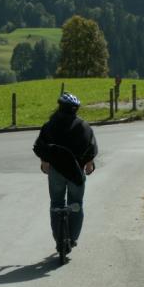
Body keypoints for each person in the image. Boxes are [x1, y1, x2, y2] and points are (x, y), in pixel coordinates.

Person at [33, 92, 98, 252]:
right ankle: (72, 238)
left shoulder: (49, 125)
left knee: (56, 204)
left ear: (60, 107)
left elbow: (41, 146)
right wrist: (89, 164)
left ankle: (59, 239)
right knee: (76, 204)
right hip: (76, 173)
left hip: (56, 171)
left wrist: (44, 161)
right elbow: (90, 148)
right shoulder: (83, 126)